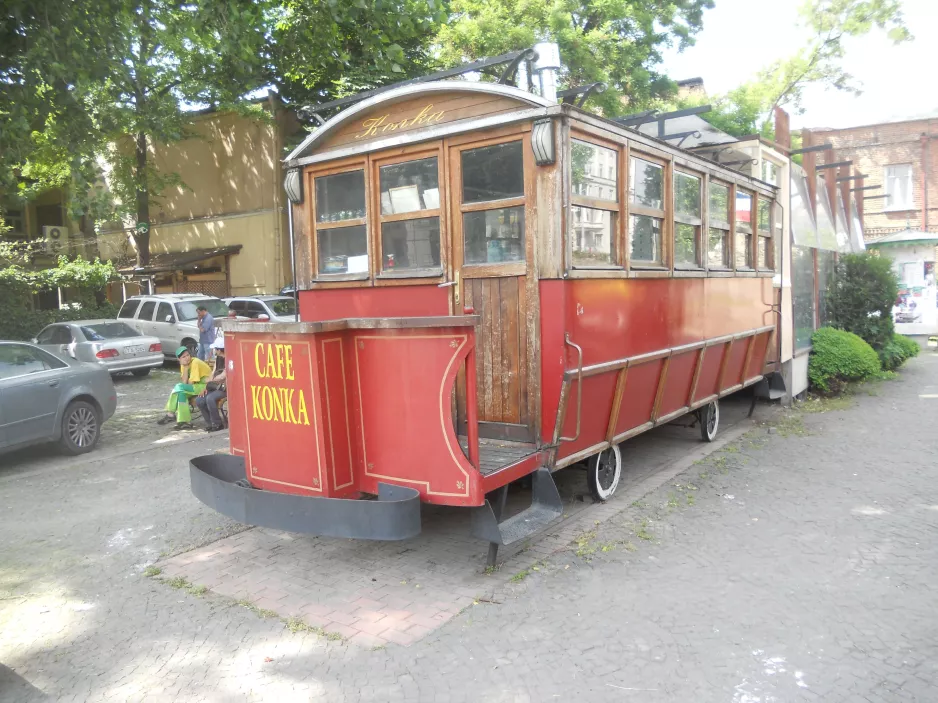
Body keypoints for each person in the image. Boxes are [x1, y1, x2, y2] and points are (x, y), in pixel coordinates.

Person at [157, 346, 213, 430]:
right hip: (195, 386)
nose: (187, 358)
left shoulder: (195, 362)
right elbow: (184, 383)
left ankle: (170, 413)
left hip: (205, 386)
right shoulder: (184, 365)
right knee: (181, 393)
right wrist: (186, 368)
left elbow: (189, 384)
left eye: (187, 355)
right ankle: (184, 422)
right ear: (179, 359)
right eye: (183, 357)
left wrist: (184, 383)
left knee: (178, 387)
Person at [196, 337, 227, 432]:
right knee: (200, 400)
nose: (214, 351)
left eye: (215, 349)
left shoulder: (228, 359)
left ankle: (218, 424)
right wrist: (206, 386)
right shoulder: (218, 359)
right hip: (214, 386)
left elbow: (223, 376)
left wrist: (211, 380)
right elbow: (213, 373)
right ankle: (210, 423)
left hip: (223, 388)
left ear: (219, 349)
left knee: (210, 398)